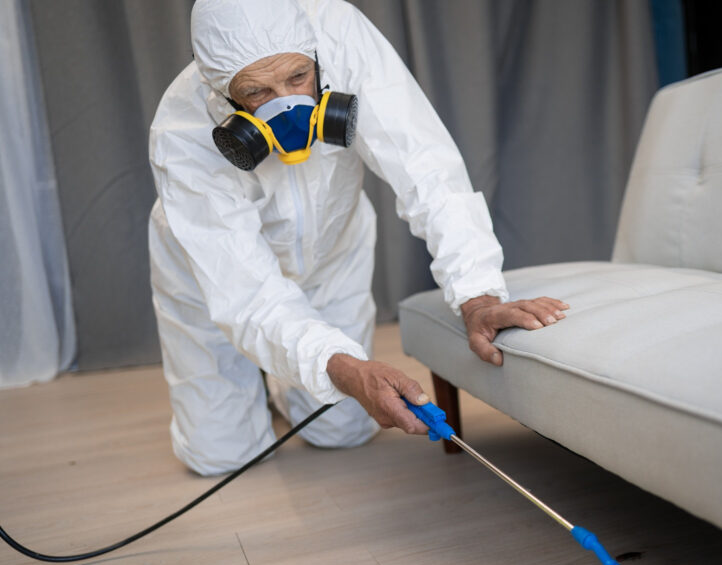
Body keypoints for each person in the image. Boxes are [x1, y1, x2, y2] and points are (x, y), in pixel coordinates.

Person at [148, 0, 568, 476]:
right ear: (221, 90)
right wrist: (347, 369)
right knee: (221, 456)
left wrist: (478, 294)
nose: (286, 103)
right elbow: (247, 294)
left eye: (298, 78)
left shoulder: (341, 37)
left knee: (343, 432)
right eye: (256, 91)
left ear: (315, 56)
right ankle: (262, 378)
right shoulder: (180, 133)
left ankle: (289, 379)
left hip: (332, 252)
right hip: (213, 277)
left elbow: (427, 171)